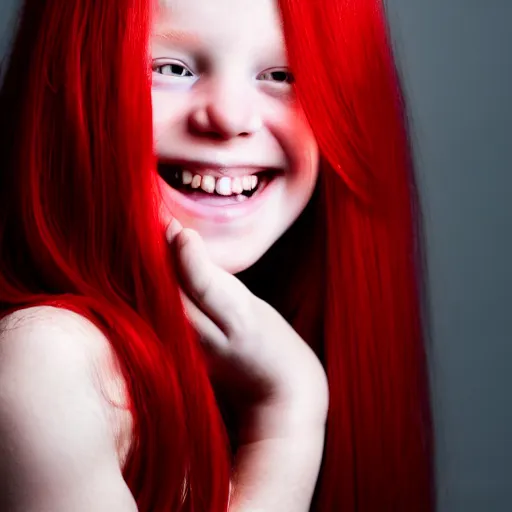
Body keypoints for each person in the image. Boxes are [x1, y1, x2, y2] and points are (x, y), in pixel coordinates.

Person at [0, 0, 434, 510]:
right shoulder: (47, 364)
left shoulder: (237, 349)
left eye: (282, 74)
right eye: (170, 69)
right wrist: (287, 420)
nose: (230, 117)